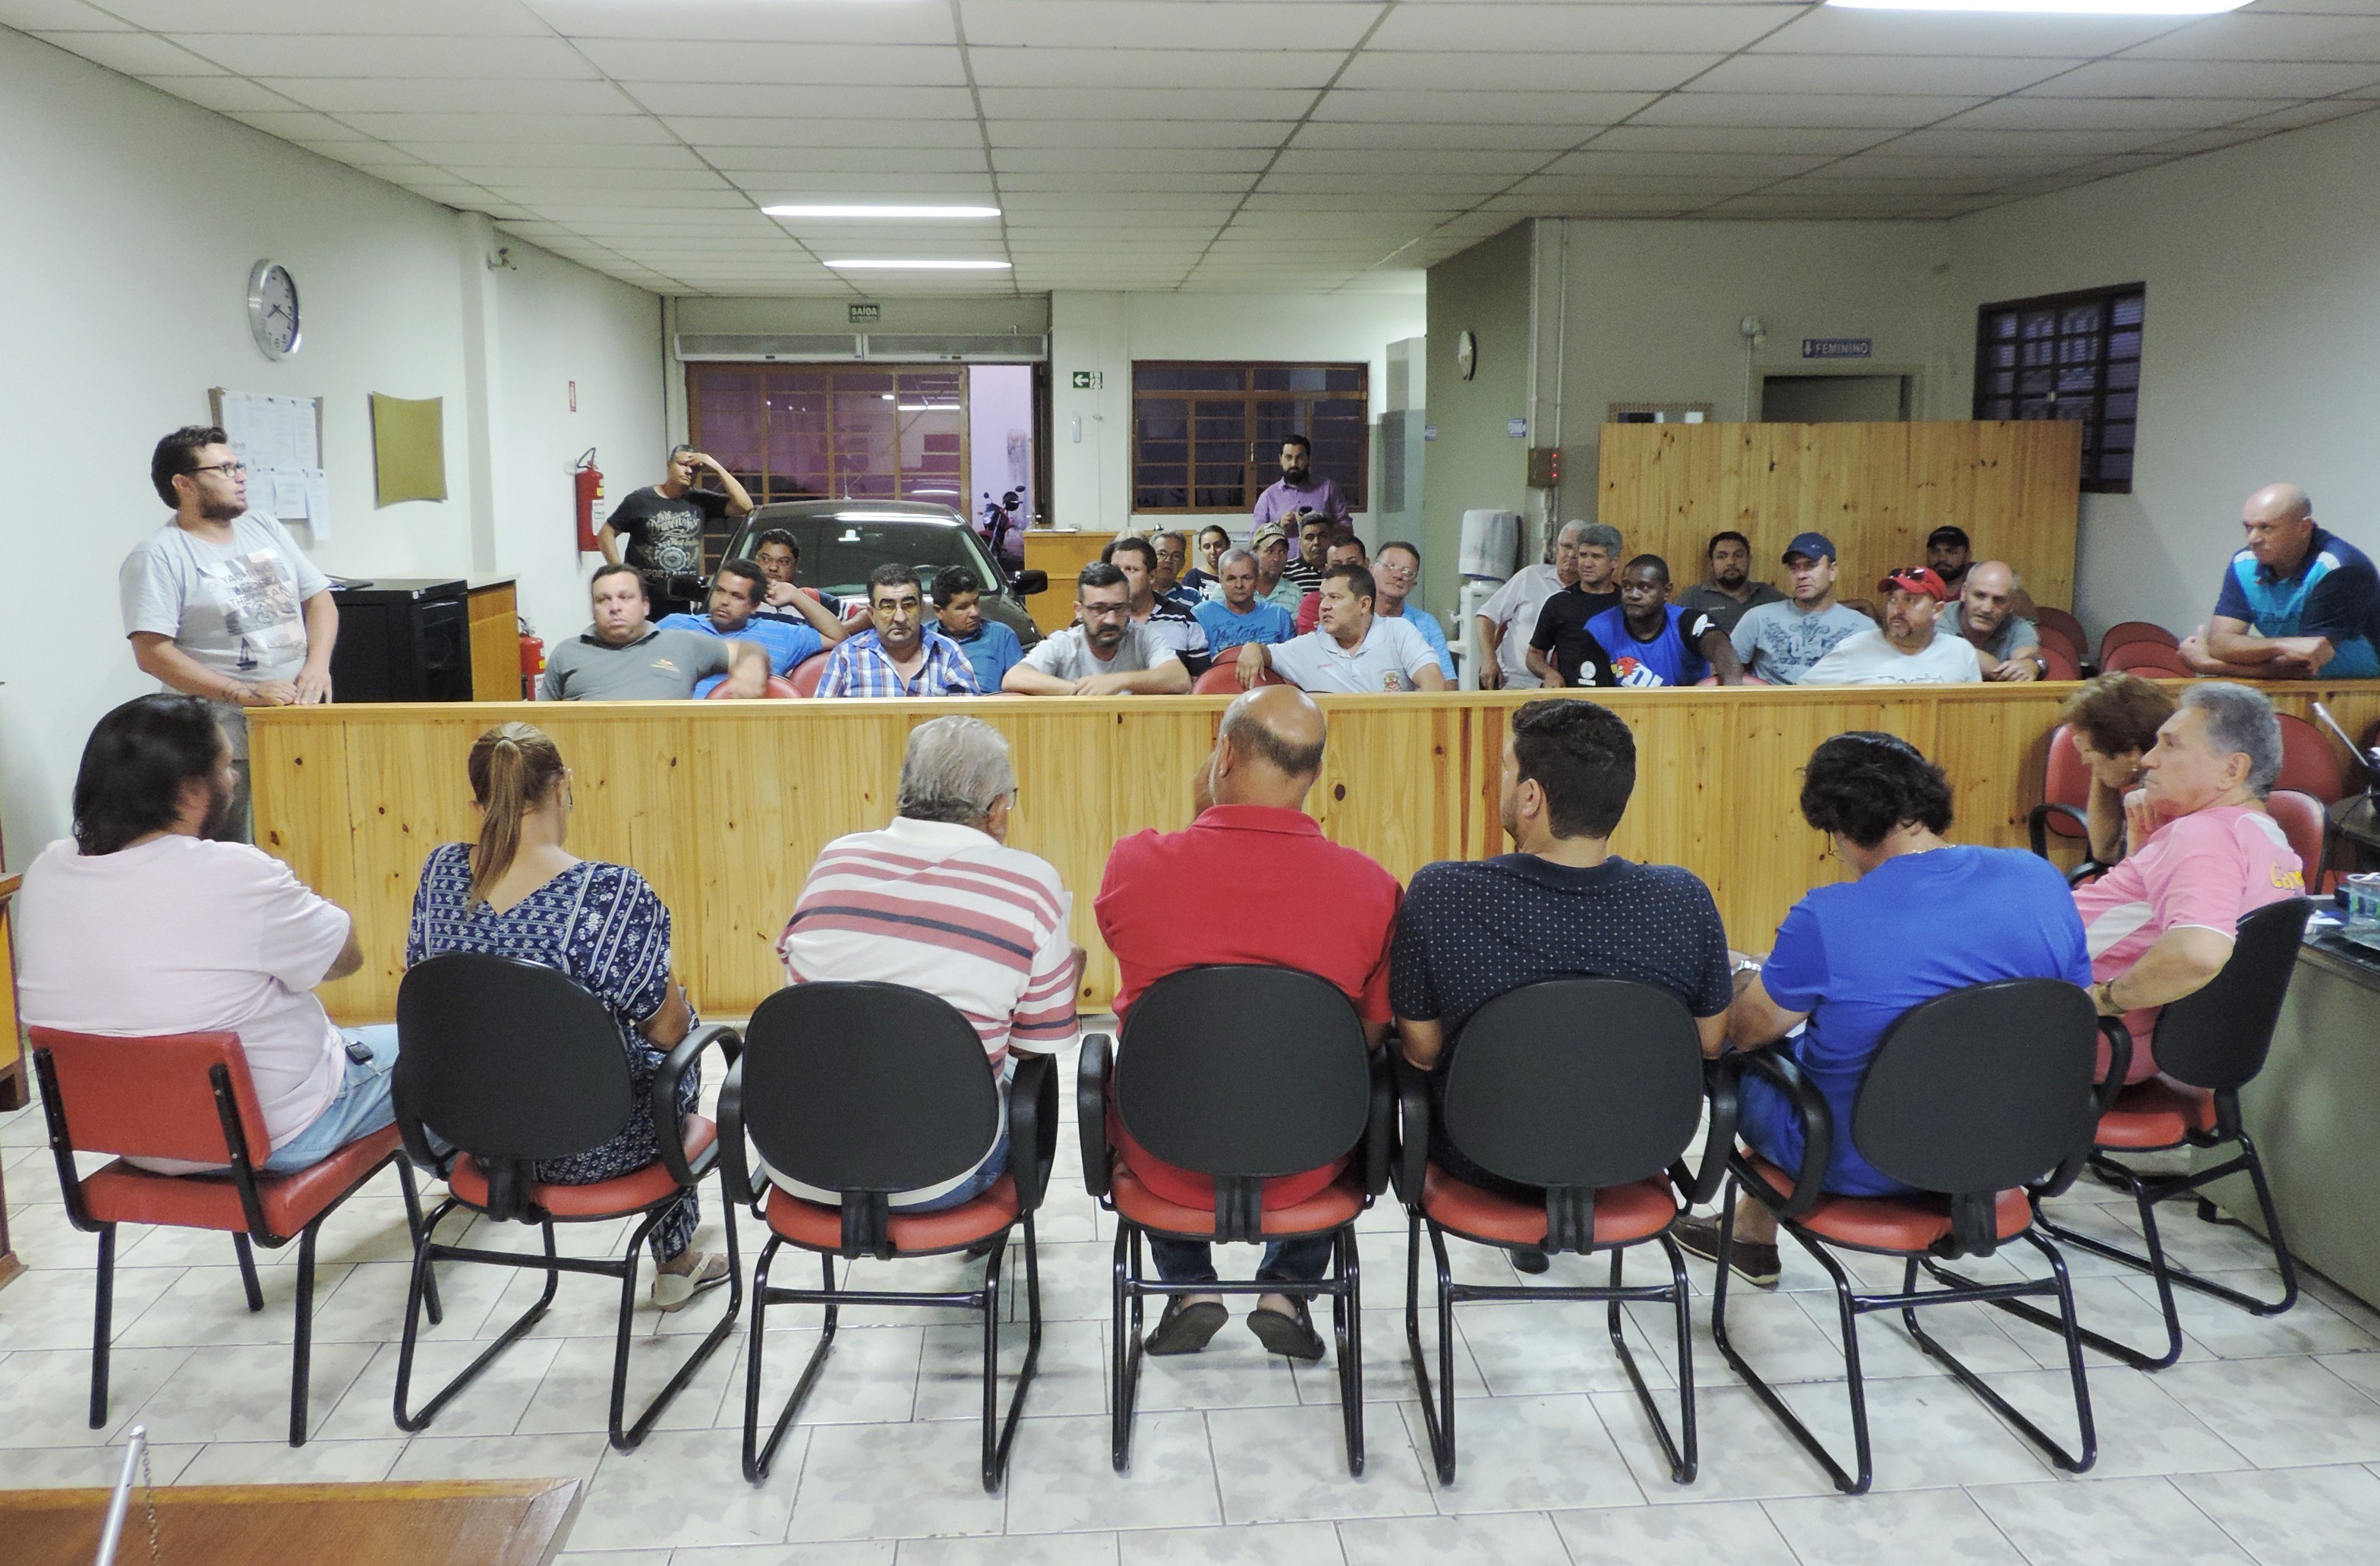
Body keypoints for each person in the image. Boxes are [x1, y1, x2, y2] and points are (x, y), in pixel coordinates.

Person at [1675, 732, 2091, 1287]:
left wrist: (1748, 971)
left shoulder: (1828, 914)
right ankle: (1750, 1233)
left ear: (1840, 828)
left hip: (1857, 1158)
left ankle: (1751, 1234)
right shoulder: (2037, 877)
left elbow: (1747, 1032)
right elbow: (2073, 1008)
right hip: (2017, 1142)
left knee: (1736, 1051)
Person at [1095, 685, 1400, 1360]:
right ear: (1314, 774)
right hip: (1308, 1163)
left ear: (1224, 755)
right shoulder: (1374, 889)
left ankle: (1187, 1286)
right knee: (1342, 1077)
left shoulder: (1135, 863)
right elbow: (1370, 1037)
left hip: (1164, 1155)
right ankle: (1287, 1288)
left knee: (1153, 1071)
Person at [406, 722, 727, 1309]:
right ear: (563, 788)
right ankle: (675, 1260)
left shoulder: (439, 874)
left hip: (474, 1135)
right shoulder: (609, 894)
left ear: (476, 802)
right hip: (596, 1143)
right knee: (672, 1054)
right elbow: (669, 1030)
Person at [1394, 700, 1732, 1241]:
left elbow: (1422, 1051)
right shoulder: (1682, 899)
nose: (1500, 781)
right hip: (1631, 1156)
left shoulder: (1442, 894)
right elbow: (1711, 1042)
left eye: (1506, 769)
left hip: (1482, 1156)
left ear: (1530, 796)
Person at [17, 695, 395, 1178]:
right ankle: (484, 1188)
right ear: (192, 791)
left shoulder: (48, 868)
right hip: (272, 1137)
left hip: (128, 1139)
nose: (234, 777)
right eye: (225, 765)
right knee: (437, 1044)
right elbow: (345, 959)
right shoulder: (235, 873)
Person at [777, 717, 1080, 1211]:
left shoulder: (836, 859)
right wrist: (1064, 977)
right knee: (1010, 1073)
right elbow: (1035, 1044)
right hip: (943, 1174)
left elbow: (803, 999)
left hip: (800, 1159)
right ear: (998, 808)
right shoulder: (1030, 882)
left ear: (904, 791)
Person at [2074, 683, 2304, 1083]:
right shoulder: (2266, 836)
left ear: (2232, 770)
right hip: (2140, 1038)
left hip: (2086, 1032)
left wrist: (2106, 999)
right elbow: (2143, 922)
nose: (2148, 759)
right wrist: (2145, 844)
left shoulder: (2203, 837)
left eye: (2171, 745)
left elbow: (2198, 953)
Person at [122, 425, 340, 842]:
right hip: (221, 744)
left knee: (310, 841)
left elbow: (319, 599)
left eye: (237, 465)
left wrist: (317, 667)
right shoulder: (158, 555)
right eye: (223, 468)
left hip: (299, 721)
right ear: (183, 483)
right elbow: (152, 653)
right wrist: (241, 693)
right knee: (235, 850)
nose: (239, 476)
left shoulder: (265, 527)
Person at [2183, 483, 2380, 679]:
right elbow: (2220, 643)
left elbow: (2302, 666)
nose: (2253, 539)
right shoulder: (2244, 562)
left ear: (2304, 528)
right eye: (2248, 527)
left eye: (2266, 528)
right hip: (2292, 687)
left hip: (2361, 691)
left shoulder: (2339, 567)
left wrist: (2213, 665)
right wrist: (2282, 645)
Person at [539, 564, 767, 701]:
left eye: (625, 598)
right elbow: (542, 728)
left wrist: (752, 664)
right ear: (592, 608)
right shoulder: (566, 653)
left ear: (645, 605)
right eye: (603, 599)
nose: (615, 607)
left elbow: (748, 650)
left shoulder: (682, 644)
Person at [1237, 563, 1449, 694]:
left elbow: (1433, 680)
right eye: (1322, 598)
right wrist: (1252, 648)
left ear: (1364, 605)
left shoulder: (1398, 632)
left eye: (1335, 598)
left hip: (1396, 748)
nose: (1324, 606)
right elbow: (1265, 653)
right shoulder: (1309, 646)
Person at [597, 445, 755, 616]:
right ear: (669, 465)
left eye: (695, 468)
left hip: (681, 598)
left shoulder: (701, 501)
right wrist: (620, 572)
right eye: (682, 464)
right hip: (643, 597)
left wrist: (714, 465)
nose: (688, 471)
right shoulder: (640, 500)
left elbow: (745, 506)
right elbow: (607, 532)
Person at [1004, 562, 1192, 695]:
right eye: (1098, 609)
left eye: (1118, 608)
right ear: (1079, 611)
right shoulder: (1064, 643)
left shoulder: (1143, 637)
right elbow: (1014, 677)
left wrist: (1118, 682)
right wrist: (1078, 691)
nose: (1110, 619)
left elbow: (1179, 679)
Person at [2057, 673, 2180, 865]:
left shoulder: (2159, 791)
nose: (2084, 760)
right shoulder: (2149, 768)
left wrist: (2103, 752)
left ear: (2132, 753)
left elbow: (2120, 863)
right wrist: (2102, 762)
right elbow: (2103, 850)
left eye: (2089, 751)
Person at [655, 558, 821, 696]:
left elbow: (837, 636)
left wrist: (795, 596)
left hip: (743, 729)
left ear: (754, 606)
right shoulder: (674, 624)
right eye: (720, 591)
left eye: (736, 596)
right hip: (673, 725)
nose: (724, 601)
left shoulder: (781, 634)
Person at [1572, 555, 1743, 688]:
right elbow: (1595, 700)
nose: (1634, 594)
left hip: (1688, 719)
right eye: (1627, 586)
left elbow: (1721, 649)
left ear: (1666, 591)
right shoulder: (1599, 629)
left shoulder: (1689, 622)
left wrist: (1733, 688)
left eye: (1644, 587)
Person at [1729, 533, 1877, 685]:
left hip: (1833, 706)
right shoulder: (1758, 617)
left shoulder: (1863, 627)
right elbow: (1724, 671)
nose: (1801, 575)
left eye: (1811, 566)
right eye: (1794, 568)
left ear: (1832, 571)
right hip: (1769, 706)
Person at [815, 563, 982, 698]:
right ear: (872, 614)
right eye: (888, 607)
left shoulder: (948, 653)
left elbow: (967, 728)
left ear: (922, 608)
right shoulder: (846, 657)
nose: (900, 618)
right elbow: (821, 725)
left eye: (908, 605)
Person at [1802, 567, 1984, 685]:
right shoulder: (1854, 648)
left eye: (1910, 600)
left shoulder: (1960, 651)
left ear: (1937, 610)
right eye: (1892, 599)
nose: (1898, 609)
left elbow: (1974, 713)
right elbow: (1800, 696)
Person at [1475, 520, 1589, 692]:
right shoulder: (1530, 576)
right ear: (1557, 549)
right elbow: (1486, 616)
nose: (1571, 554)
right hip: (1514, 681)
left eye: (1578, 550)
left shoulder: (1592, 594)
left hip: (1566, 685)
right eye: (1566, 546)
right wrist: (1489, 659)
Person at [1524, 523, 1628, 688]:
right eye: (1582, 555)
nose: (1586, 563)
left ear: (1614, 561)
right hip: (1572, 701)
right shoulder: (1559, 602)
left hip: (1618, 699)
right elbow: (1534, 654)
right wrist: (1550, 674)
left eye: (1596, 556)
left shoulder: (1628, 605)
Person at [1105, 534, 1211, 675]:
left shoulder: (1183, 619)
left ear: (1152, 576)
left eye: (1131, 570)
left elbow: (1200, 681)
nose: (1121, 577)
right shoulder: (1097, 619)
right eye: (1116, 569)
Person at [750, 527, 853, 644]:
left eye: (783, 562)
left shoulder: (811, 598)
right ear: (755, 559)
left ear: (796, 564)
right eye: (766, 559)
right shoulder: (740, 598)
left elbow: (866, 615)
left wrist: (830, 630)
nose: (773, 568)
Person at [931, 565, 1024, 692]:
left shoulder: (1001, 636)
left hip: (989, 708)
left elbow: (1021, 689)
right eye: (963, 607)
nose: (974, 612)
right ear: (939, 611)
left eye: (976, 602)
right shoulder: (923, 638)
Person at [1373, 540, 1458, 682]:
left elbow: (1449, 681)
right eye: (1390, 566)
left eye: (1407, 572)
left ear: (1414, 584)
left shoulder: (1427, 623)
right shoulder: (1350, 619)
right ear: (1372, 570)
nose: (1398, 575)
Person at [1676, 531, 1786, 639]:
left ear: (1749, 560)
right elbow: (1674, 637)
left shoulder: (1768, 595)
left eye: (1738, 555)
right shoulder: (1694, 597)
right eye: (1721, 557)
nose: (1731, 562)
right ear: (1711, 563)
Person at [1951, 560, 2044, 682]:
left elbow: (2026, 659)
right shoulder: (1935, 620)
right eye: (1980, 596)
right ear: (1964, 592)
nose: (1986, 608)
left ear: (2011, 603)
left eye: (1999, 600)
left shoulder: (2019, 628)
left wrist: (2031, 664)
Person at [1193, 548, 1298, 653]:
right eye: (1231, 578)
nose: (1239, 585)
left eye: (1246, 578)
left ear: (1257, 580)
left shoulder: (1279, 616)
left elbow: (1290, 663)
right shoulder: (1202, 614)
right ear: (1221, 582)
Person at [1250, 433, 1350, 537]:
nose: (1294, 464)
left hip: (1322, 554)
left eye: (1300, 458)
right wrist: (1279, 527)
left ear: (1308, 459)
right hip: (1284, 554)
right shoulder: (1268, 496)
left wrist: (1319, 526)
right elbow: (1254, 540)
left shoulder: (1328, 489)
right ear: (1280, 459)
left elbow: (1348, 531)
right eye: (1288, 458)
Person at [1293, 531, 1367, 635]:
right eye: (1337, 566)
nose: (1345, 571)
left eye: (1352, 563)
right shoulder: (1313, 604)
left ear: (1366, 564)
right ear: (1327, 570)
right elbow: (1313, 647)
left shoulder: (1381, 599)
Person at [1251, 522, 1304, 613]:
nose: (1276, 558)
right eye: (1270, 551)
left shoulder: (1294, 593)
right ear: (1255, 553)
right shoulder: (1239, 587)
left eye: (1282, 552)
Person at [1283, 511, 1336, 597]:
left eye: (1322, 536)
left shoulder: (1341, 568)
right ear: (1300, 542)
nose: (1317, 542)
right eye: (1309, 537)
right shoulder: (1285, 570)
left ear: (1332, 538)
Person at [1151, 530, 1203, 611]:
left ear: (1183, 563)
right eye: (1162, 554)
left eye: (1176, 556)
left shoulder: (1192, 596)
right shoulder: (1140, 593)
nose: (1168, 560)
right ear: (1150, 558)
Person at [1184, 524, 1233, 600]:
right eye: (1207, 547)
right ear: (1201, 549)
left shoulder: (1237, 575)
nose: (1213, 551)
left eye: (1218, 545)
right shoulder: (1193, 576)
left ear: (1228, 546)